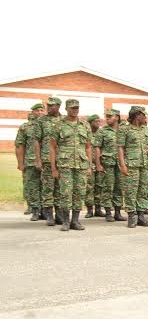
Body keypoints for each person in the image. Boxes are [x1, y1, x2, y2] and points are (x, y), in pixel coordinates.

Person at [49, 99, 93, 231]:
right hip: (65, 165)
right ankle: (66, 221)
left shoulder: (85, 125)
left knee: (80, 192)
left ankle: (75, 221)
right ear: (66, 109)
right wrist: (53, 168)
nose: (75, 110)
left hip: (81, 164)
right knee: (65, 193)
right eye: (72, 108)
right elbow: (52, 147)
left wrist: (89, 166)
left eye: (76, 108)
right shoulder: (58, 125)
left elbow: (88, 147)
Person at [118, 105, 148, 228]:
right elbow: (120, 148)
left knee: (143, 190)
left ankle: (141, 216)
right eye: (144, 115)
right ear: (137, 115)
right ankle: (131, 216)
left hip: (145, 164)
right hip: (131, 164)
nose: (145, 117)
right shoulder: (125, 129)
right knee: (130, 191)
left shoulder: (146, 130)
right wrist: (122, 165)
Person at [34, 97, 64, 226]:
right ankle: (49, 216)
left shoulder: (64, 120)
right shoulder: (41, 121)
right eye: (49, 105)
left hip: (63, 159)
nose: (50, 107)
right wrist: (38, 159)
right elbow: (36, 141)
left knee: (60, 188)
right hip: (46, 159)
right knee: (48, 187)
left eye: (53, 105)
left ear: (58, 106)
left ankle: (59, 215)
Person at [93, 109, 124, 222]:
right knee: (107, 187)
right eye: (107, 116)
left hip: (120, 163)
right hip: (107, 163)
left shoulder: (123, 130)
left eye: (110, 116)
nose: (107, 118)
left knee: (119, 187)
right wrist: (98, 164)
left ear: (117, 117)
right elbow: (97, 147)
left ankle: (118, 212)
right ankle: (108, 212)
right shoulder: (102, 131)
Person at [17, 103, 45, 220]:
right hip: (30, 161)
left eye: (41, 110)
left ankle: (45, 211)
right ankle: (35, 210)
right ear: (32, 112)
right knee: (32, 186)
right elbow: (20, 145)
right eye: (37, 110)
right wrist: (20, 163)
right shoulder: (25, 127)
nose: (39, 112)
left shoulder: (49, 125)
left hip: (46, 161)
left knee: (46, 186)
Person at [84, 114, 104, 218]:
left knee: (99, 186)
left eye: (99, 121)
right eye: (96, 121)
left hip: (100, 163)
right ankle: (89, 209)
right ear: (90, 122)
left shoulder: (101, 133)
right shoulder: (86, 134)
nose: (98, 123)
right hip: (89, 163)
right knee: (89, 187)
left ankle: (98, 209)